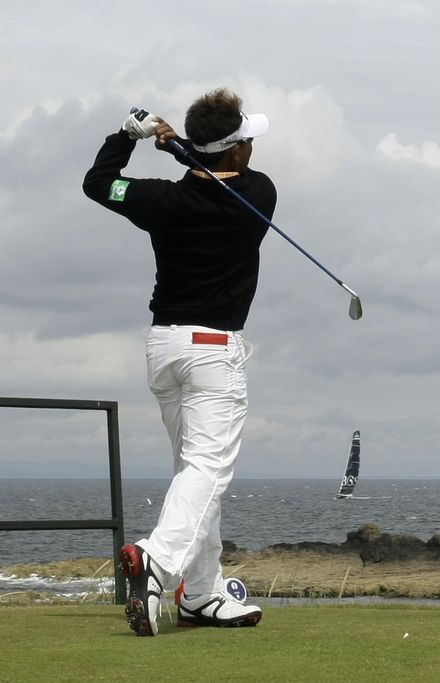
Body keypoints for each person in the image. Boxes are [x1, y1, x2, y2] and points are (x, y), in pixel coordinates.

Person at [82, 89, 274, 636]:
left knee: (194, 471)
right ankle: (159, 562)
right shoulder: (259, 194)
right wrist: (178, 148)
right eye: (247, 139)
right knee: (208, 470)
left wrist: (128, 136)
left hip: (164, 349)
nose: (253, 145)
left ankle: (205, 595)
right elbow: (210, 167)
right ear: (235, 151)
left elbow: (99, 183)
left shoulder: (157, 202)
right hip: (215, 353)